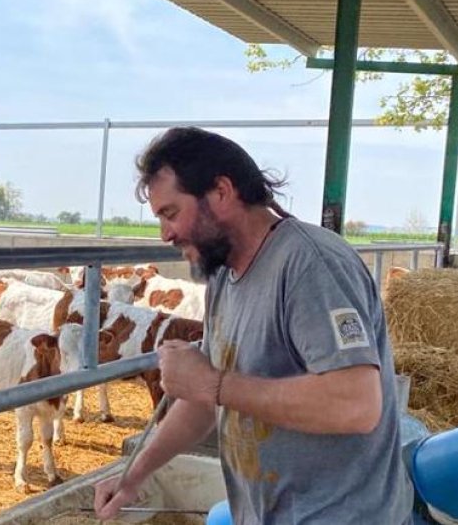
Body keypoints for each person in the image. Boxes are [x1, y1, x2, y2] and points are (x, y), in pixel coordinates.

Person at [93, 127, 412, 524]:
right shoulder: (224, 278)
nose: (166, 234)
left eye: (171, 213)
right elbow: (206, 398)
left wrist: (213, 384)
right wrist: (133, 474)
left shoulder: (310, 265)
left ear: (222, 192)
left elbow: (356, 405)